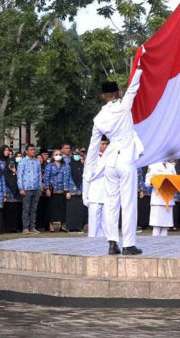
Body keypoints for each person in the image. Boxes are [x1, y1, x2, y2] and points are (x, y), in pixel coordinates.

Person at [84, 68, 144, 256]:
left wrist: (90, 171)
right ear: (118, 93)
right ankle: (128, 244)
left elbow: (93, 147)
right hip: (126, 157)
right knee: (128, 203)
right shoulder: (124, 106)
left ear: (103, 97)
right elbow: (133, 87)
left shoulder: (99, 118)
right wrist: (140, 68)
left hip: (110, 161)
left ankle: (112, 242)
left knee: (111, 203)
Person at [82, 137, 109, 238]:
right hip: (94, 193)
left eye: (106, 144)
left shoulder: (110, 156)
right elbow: (86, 177)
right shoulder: (92, 158)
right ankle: (92, 243)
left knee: (106, 223)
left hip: (107, 193)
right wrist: (85, 196)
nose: (105, 146)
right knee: (94, 224)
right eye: (102, 144)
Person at [145, 161, 176, 236]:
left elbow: (176, 179)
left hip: (168, 199)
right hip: (158, 198)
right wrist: (158, 181)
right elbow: (147, 182)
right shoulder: (153, 164)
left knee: (165, 226)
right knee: (157, 226)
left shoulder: (171, 166)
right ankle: (155, 245)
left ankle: (164, 245)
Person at [17, 143, 42, 234]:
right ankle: (25, 227)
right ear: (26, 151)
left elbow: (39, 174)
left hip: (36, 188)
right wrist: (21, 188)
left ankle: (32, 226)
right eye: (31, 150)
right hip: (26, 188)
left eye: (33, 150)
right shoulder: (22, 162)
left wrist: (39, 187)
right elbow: (19, 175)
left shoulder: (37, 162)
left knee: (34, 209)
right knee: (26, 208)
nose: (33, 151)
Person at [0, 145, 22, 233]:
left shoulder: (11, 161)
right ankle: (7, 226)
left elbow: (13, 170)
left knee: (14, 208)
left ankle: (14, 226)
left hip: (14, 188)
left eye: (8, 150)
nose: (7, 152)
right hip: (6, 187)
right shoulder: (1, 164)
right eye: (5, 150)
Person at [64, 146, 87, 233]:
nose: (77, 156)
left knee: (80, 210)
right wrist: (67, 191)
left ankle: (79, 227)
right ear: (72, 154)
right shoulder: (68, 165)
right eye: (75, 154)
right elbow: (66, 178)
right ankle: (71, 227)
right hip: (71, 190)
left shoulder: (83, 165)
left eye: (78, 154)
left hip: (81, 191)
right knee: (71, 210)